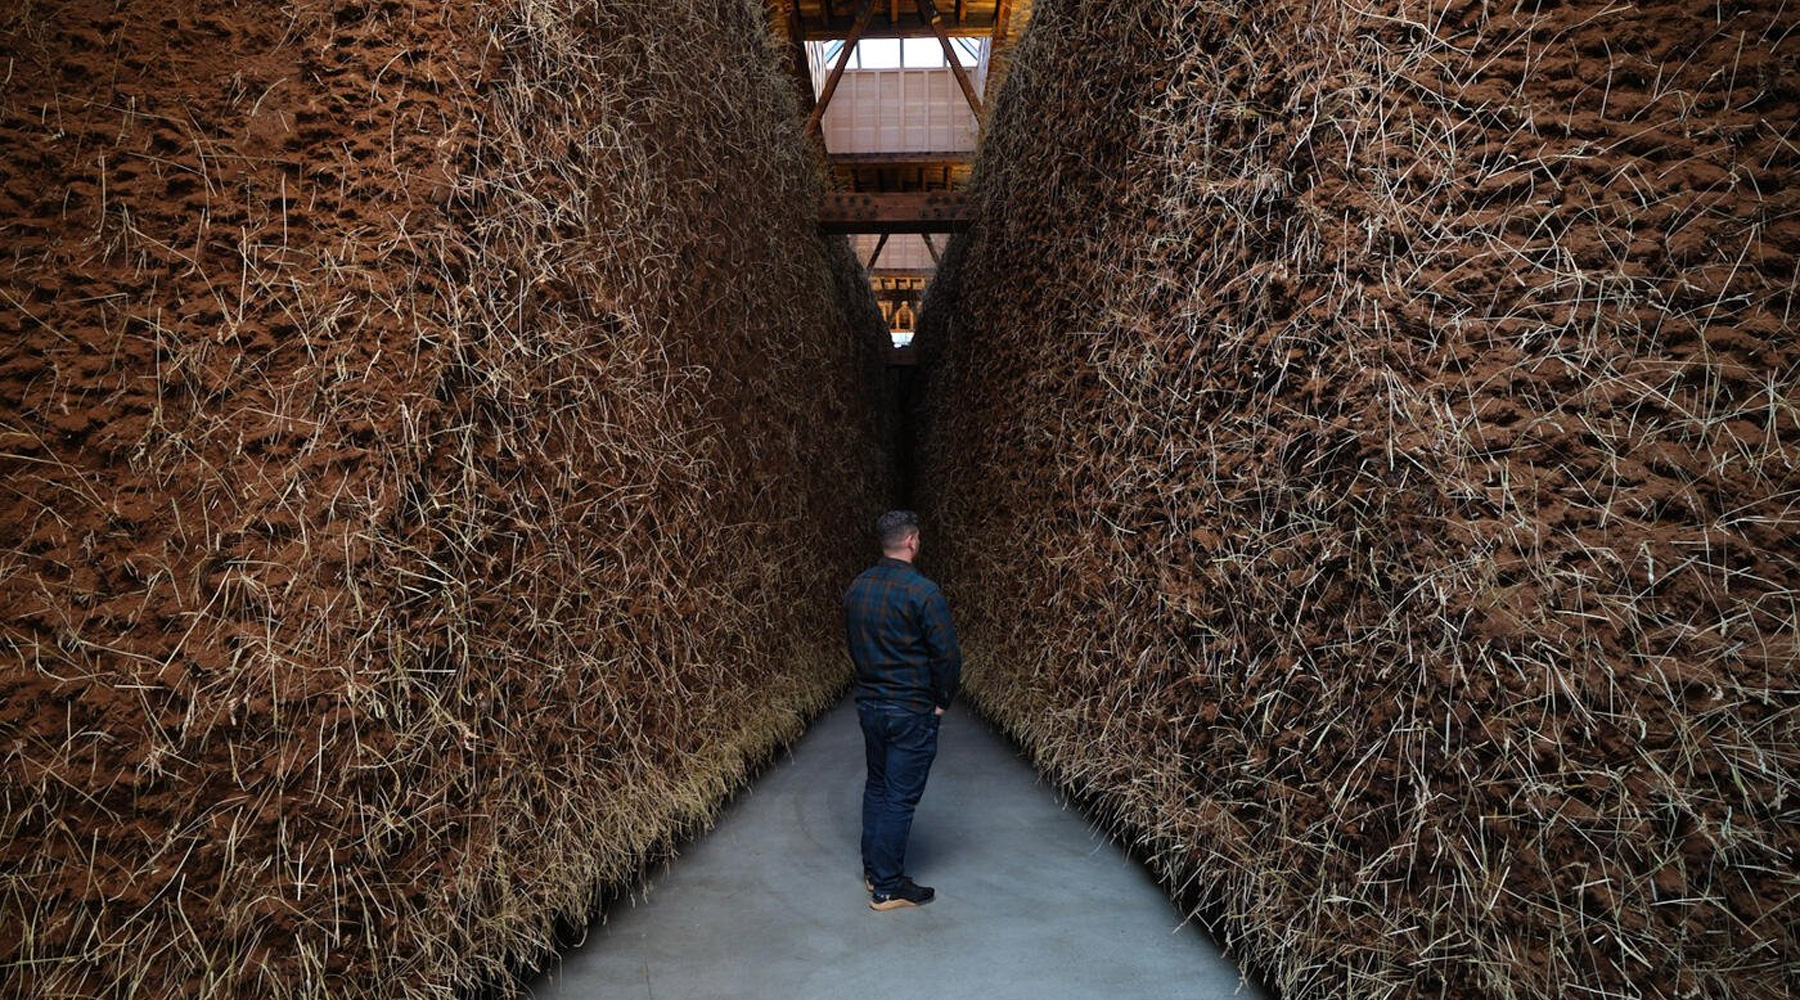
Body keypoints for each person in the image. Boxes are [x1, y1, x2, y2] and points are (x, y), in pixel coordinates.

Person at [843, 509, 962, 911]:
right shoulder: (923, 593)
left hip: (871, 706)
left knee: (877, 786)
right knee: (899, 798)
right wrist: (942, 699)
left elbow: (854, 644)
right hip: (910, 709)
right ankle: (888, 887)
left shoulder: (857, 588)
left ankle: (874, 870)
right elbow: (947, 656)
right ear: (911, 540)